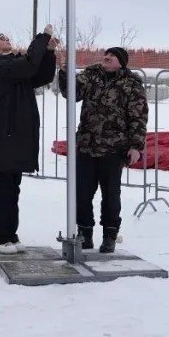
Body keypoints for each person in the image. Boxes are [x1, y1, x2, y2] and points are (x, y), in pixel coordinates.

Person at [57, 46, 147, 253]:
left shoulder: (131, 85)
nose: (106, 58)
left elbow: (138, 117)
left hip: (114, 149)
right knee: (82, 193)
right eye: (105, 55)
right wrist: (64, 73)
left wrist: (135, 146)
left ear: (121, 62)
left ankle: (110, 235)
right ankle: (85, 233)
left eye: (112, 56)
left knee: (111, 196)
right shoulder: (91, 76)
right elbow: (71, 92)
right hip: (88, 146)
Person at [0, 26, 57, 254]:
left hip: (14, 135)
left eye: (6, 36)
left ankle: (10, 235)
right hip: (2, 135)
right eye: (1, 38)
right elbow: (28, 64)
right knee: (4, 187)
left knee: (13, 187)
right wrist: (42, 37)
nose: (7, 39)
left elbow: (40, 75)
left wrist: (48, 52)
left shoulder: (11, 65)